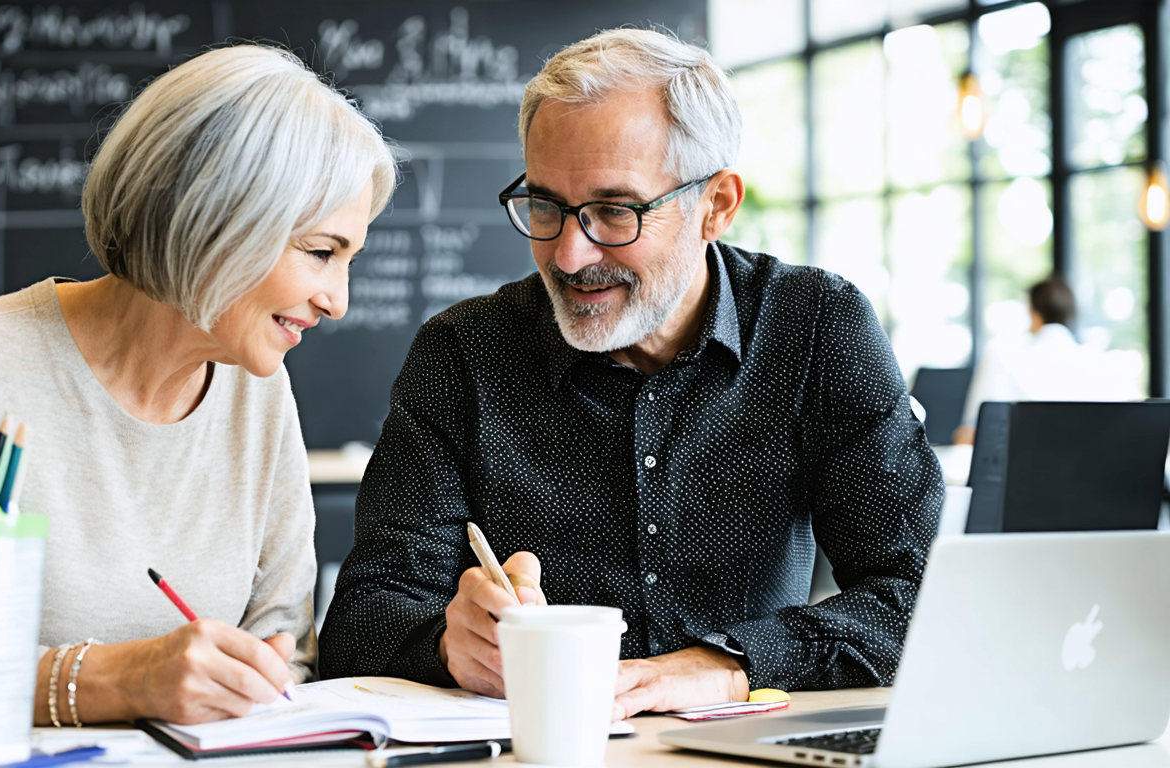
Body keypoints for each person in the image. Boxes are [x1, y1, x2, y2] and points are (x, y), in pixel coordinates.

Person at [319, 29, 942, 720]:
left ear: (717, 206)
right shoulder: (462, 353)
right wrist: (447, 643)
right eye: (546, 205)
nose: (569, 254)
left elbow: (924, 596)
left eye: (615, 210)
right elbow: (359, 621)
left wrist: (729, 665)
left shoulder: (817, 328)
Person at [0, 44, 396, 731]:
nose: (338, 301)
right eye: (321, 252)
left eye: (351, 259)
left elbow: (284, 662)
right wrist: (120, 680)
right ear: (218, 216)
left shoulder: (260, 395)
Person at [953, 276, 1131, 445]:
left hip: (1021, 472)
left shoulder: (1001, 355)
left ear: (1033, 313)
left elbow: (970, 435)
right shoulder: (1099, 362)